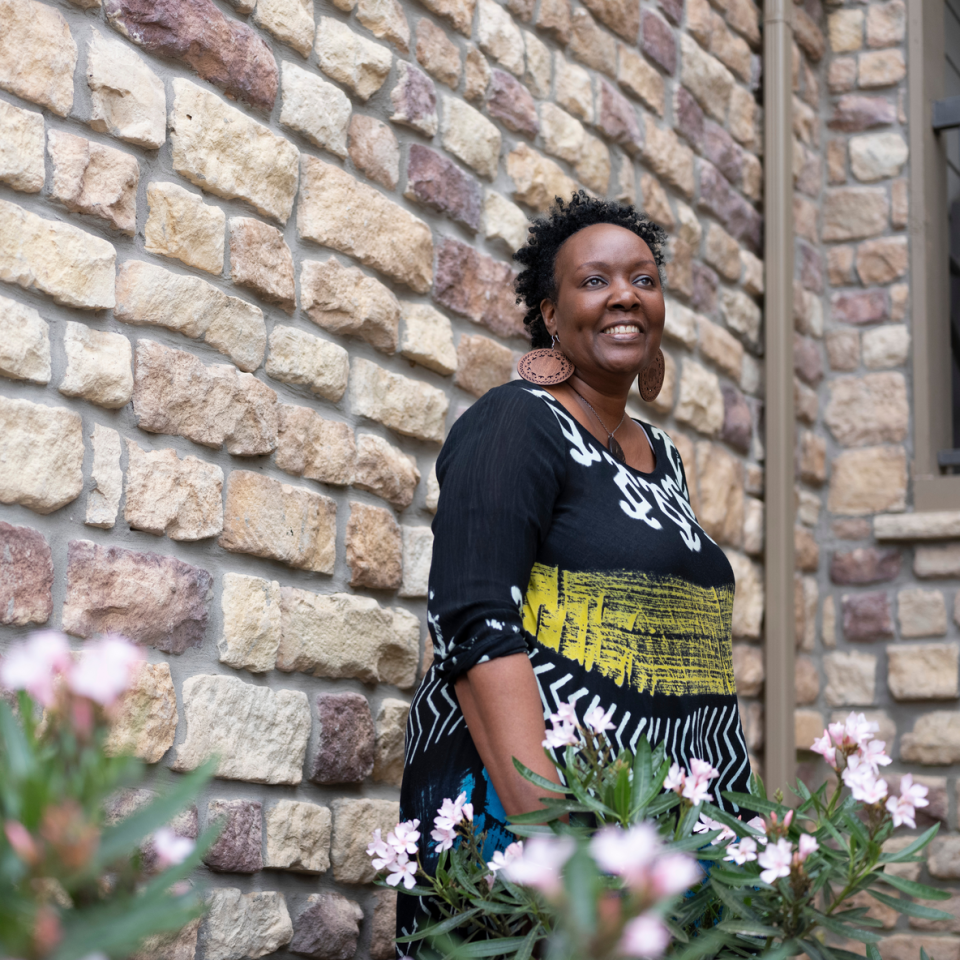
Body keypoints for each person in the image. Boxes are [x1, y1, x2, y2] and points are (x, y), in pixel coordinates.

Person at [397, 192, 751, 941]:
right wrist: (556, 854)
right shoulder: (516, 421)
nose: (625, 294)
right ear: (550, 315)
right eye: (594, 281)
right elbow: (475, 623)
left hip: (663, 835)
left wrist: (732, 832)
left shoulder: (666, 460)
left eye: (644, 280)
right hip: (545, 842)